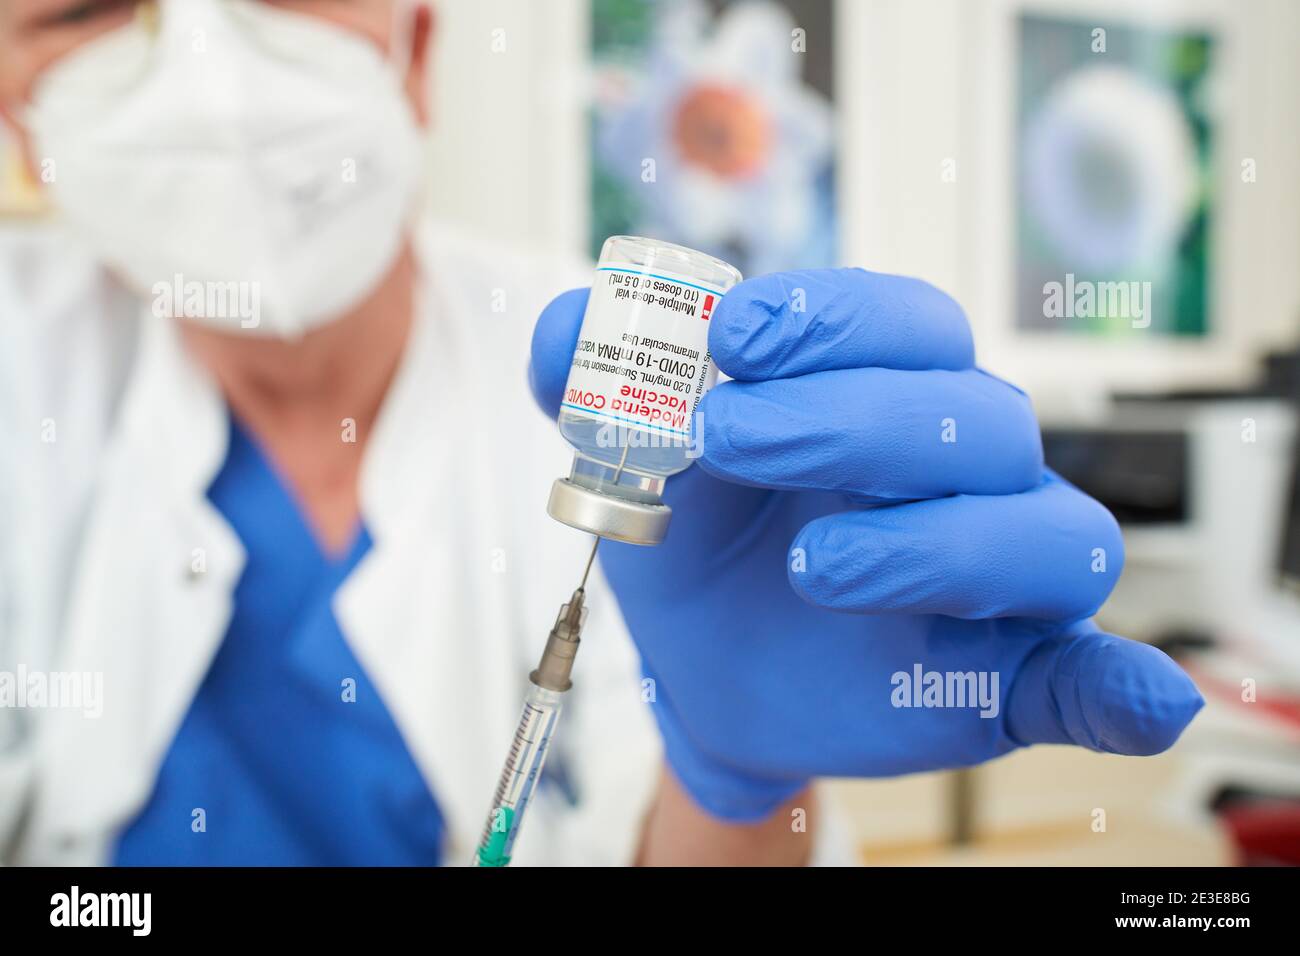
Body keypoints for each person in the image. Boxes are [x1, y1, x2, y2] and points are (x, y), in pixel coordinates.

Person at [0, 0, 1202, 867]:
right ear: (16, 116)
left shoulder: (628, 377)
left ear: (417, 48)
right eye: (86, 10)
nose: (209, 75)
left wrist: (736, 780)